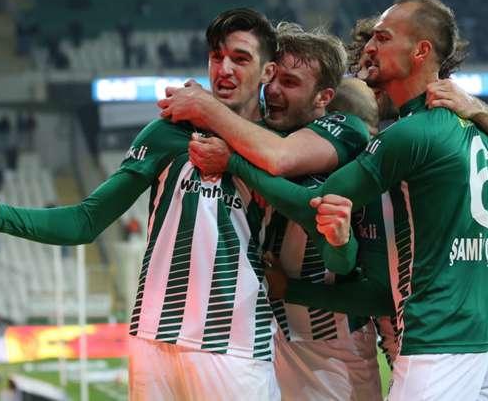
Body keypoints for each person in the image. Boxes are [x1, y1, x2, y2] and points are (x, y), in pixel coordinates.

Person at [0, 8, 281, 400]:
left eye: (240, 59)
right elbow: (87, 220)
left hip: (236, 346)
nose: (224, 69)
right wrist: (1, 216)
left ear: (268, 71)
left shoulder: (280, 147)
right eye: (216, 56)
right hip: (154, 341)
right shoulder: (168, 132)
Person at [221, 0, 488, 400]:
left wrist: (231, 155)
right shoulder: (464, 126)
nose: (368, 63)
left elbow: (326, 216)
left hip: (448, 319)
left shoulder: (403, 141)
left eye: (381, 44)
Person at [160, 23, 383, 400]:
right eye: (272, 78)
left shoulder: (344, 129)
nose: (273, 90)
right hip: (273, 332)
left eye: (291, 82)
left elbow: (295, 187)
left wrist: (217, 127)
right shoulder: (261, 132)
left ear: (324, 96)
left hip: (333, 342)